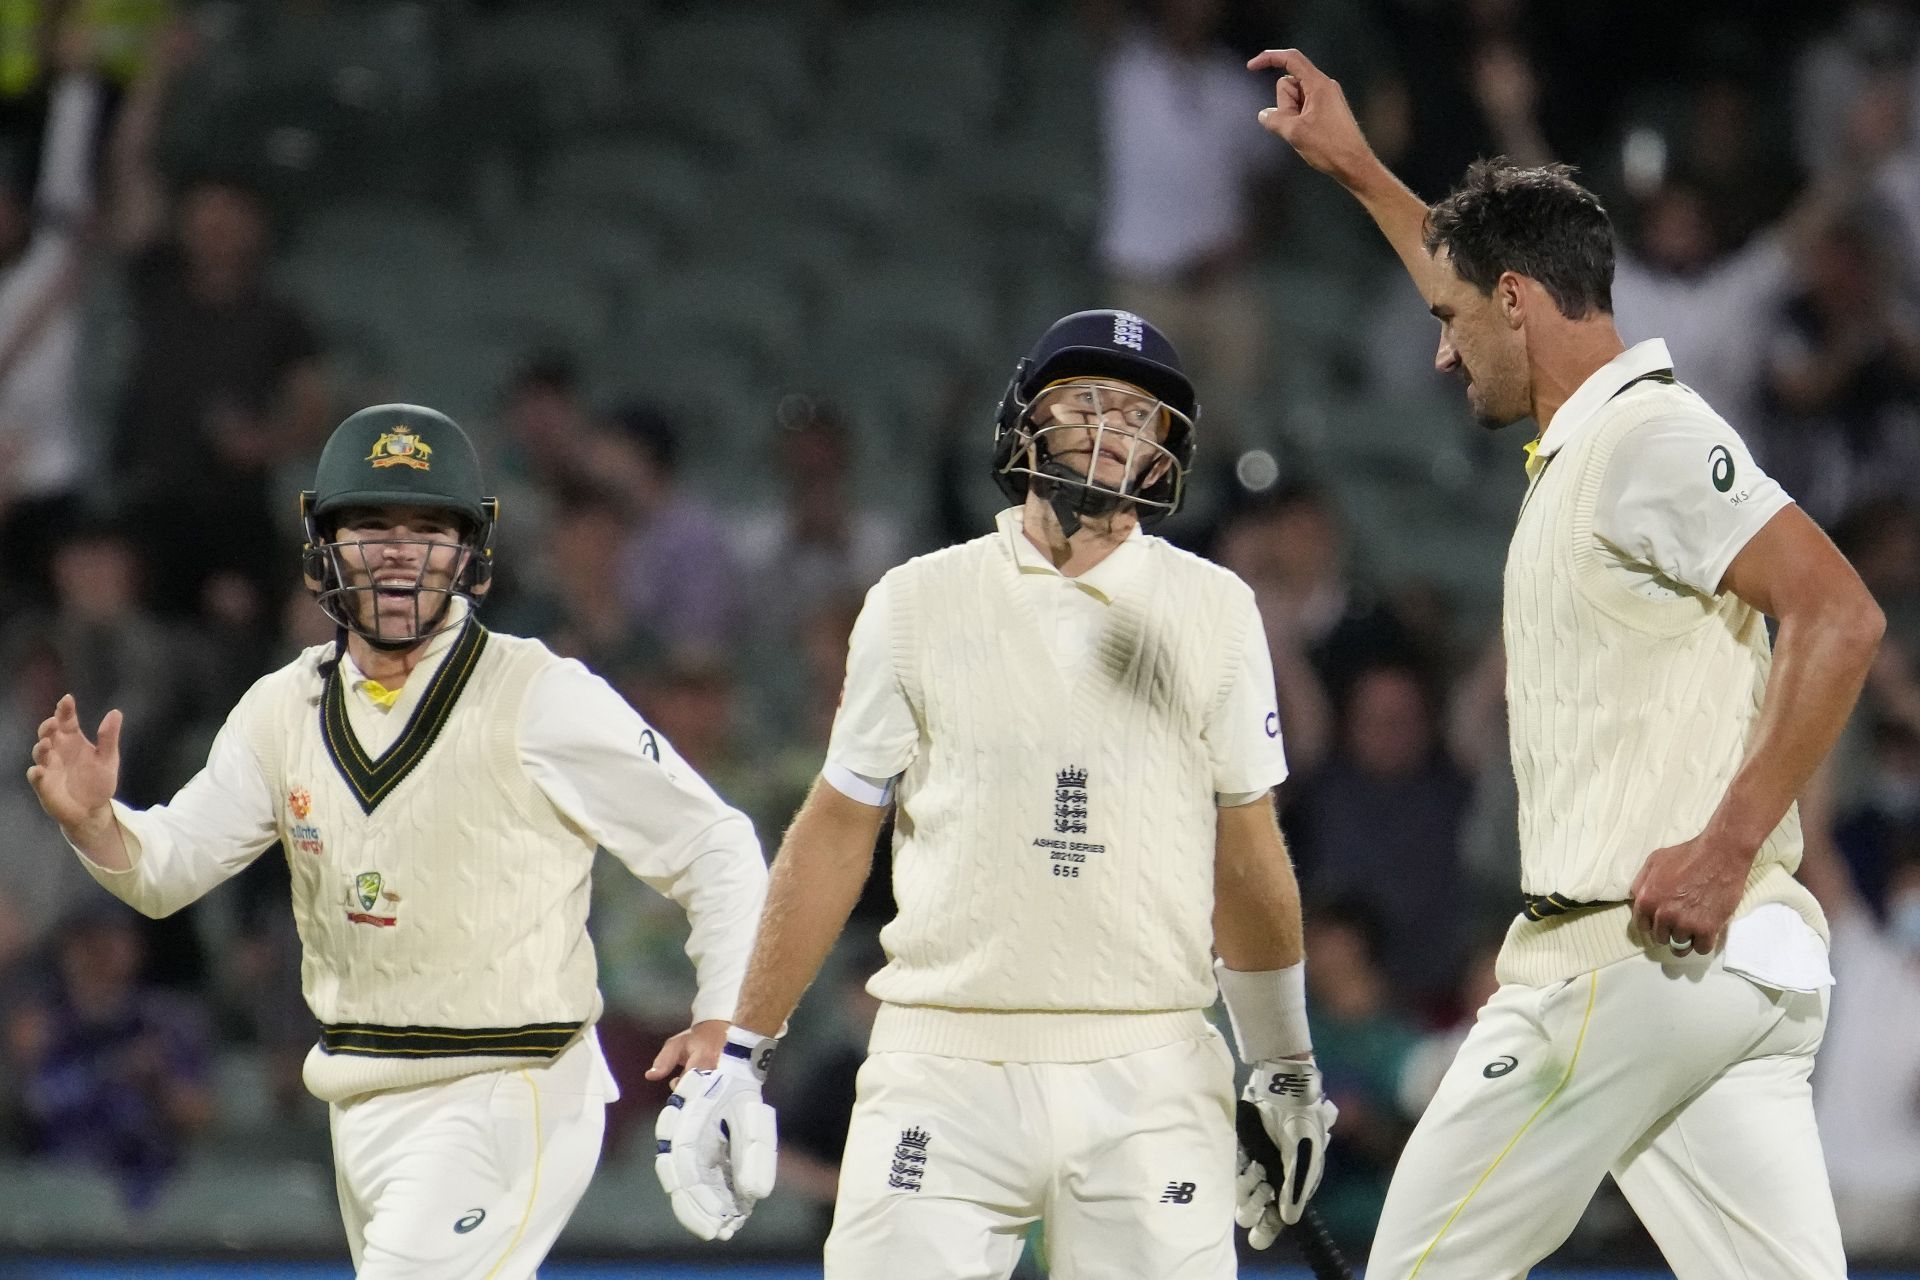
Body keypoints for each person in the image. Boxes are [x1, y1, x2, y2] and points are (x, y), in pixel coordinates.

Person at [1250, 47, 1886, 1279]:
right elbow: (1462, 280)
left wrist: (1722, 840)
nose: (1442, 354)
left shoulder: (1648, 434)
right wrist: (1365, 173)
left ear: (1518, 304)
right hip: (1717, 982)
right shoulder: (1589, 447)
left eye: (1453, 321)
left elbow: (1842, 614)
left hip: (1625, 965)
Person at [653, 310, 1336, 1276]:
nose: (1110, 433)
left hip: (1149, 1061)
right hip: (943, 1059)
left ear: (1163, 457)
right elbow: (838, 830)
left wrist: (1282, 1065)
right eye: (1086, 403)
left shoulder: (1216, 609)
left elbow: (1248, 855)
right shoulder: (915, 600)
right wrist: (742, 1050)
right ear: (1027, 419)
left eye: (1138, 418)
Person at [26, 404, 769, 1278]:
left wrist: (729, 1026)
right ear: (324, 547)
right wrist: (97, 823)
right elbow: (168, 871)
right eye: (370, 525)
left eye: (428, 529)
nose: (397, 552)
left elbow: (716, 845)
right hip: (360, 1097)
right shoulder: (283, 708)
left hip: (510, 1085)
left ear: (470, 553)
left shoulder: (539, 693)